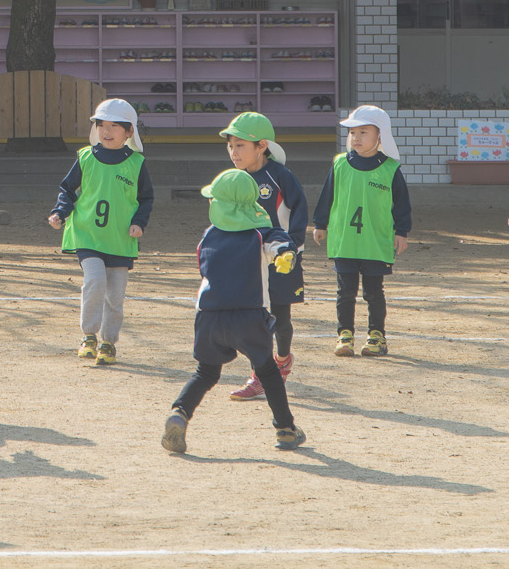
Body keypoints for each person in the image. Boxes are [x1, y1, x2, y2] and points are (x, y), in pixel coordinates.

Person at [160, 170, 306, 454]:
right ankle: (286, 429)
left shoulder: (209, 235)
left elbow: (203, 265)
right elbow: (282, 245)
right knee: (268, 372)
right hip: (248, 315)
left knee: (205, 373)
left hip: (209, 315)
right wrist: (285, 257)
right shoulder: (261, 231)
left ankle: (180, 413)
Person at [47, 99, 153, 365]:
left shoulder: (137, 163)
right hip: (87, 235)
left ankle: (108, 342)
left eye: (114, 126)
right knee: (95, 280)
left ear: (129, 131)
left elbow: (146, 198)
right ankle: (89, 336)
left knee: (115, 295)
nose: (106, 131)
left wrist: (139, 222)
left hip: (120, 239)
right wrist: (60, 212)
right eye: (102, 125)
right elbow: (67, 189)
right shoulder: (85, 157)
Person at [310, 105, 411, 357]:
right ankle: (344, 335)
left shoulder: (390, 169)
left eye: (363, 132)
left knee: (373, 292)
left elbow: (401, 204)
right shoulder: (340, 164)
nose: (356, 137)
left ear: (380, 136)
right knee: (345, 291)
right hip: (345, 241)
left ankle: (377, 336)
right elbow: (327, 196)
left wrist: (402, 231)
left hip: (375, 242)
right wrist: (320, 224)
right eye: (352, 132)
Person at [218, 112, 306, 400]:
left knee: (280, 318)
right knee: (255, 320)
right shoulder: (232, 180)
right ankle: (260, 374)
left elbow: (299, 208)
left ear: (261, 146)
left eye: (240, 145)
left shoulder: (279, 176)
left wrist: (292, 246)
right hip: (248, 260)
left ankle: (282, 360)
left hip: (281, 258)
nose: (234, 152)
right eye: (230, 146)